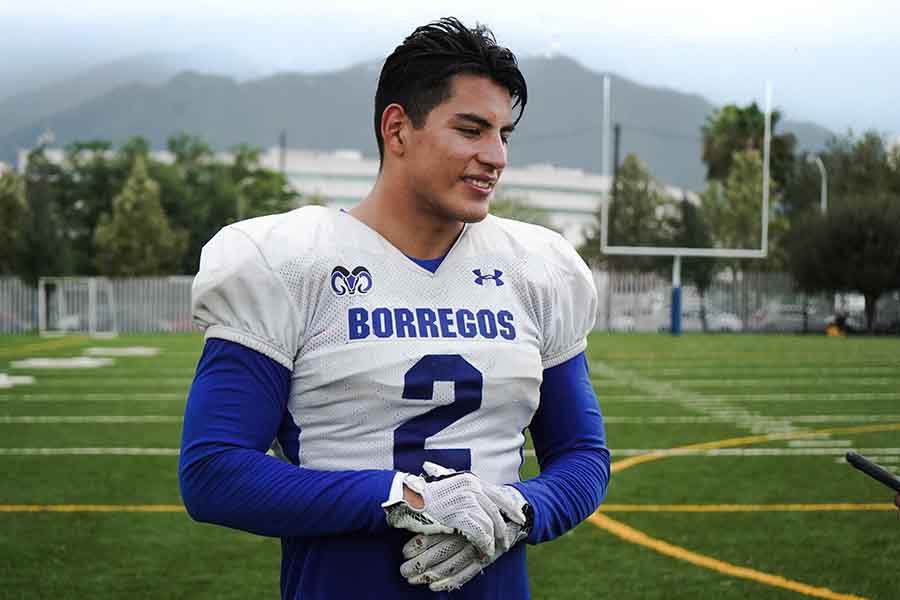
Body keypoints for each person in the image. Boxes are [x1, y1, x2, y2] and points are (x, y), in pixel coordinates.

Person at [179, 17, 610, 599]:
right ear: (397, 129)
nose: (496, 155)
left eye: (504, 134)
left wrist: (519, 507)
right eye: (471, 129)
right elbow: (214, 471)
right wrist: (405, 499)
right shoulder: (291, 263)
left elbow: (582, 455)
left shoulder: (537, 268)